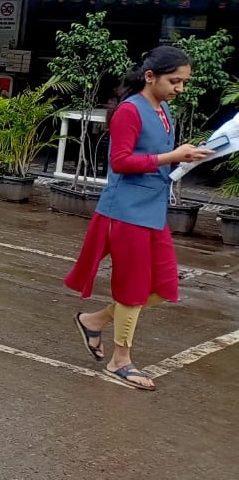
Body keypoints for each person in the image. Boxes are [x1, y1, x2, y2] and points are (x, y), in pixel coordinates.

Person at [67, 45, 212, 391]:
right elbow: (120, 162)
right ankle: (121, 361)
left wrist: (187, 156)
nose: (180, 88)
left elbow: (158, 157)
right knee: (132, 290)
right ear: (151, 77)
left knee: (163, 287)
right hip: (127, 212)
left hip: (153, 209)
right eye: (175, 81)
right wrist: (171, 156)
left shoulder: (163, 111)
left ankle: (94, 320)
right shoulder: (129, 111)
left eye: (183, 82)